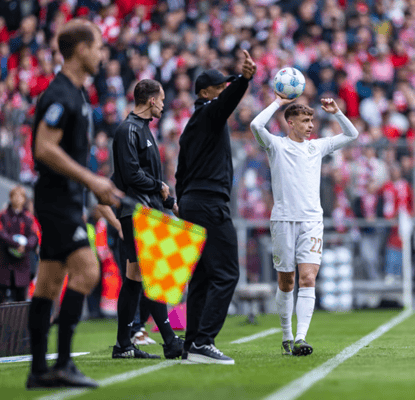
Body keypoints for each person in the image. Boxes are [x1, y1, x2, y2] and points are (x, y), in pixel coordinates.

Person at [27, 19, 123, 389]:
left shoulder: (78, 95)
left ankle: (39, 370)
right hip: (56, 201)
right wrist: (91, 180)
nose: (102, 54)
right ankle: (63, 363)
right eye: (98, 47)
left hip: (66, 199)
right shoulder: (60, 94)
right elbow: (43, 148)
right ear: (81, 49)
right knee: (88, 271)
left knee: (48, 284)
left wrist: (97, 192)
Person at [250, 95, 360, 356]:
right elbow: (256, 125)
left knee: (308, 278)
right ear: (290, 123)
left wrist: (337, 112)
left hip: (311, 221)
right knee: (287, 281)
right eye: (304, 121)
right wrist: (277, 102)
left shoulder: (317, 147)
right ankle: (286, 335)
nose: (310, 125)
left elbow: (352, 134)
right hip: (283, 220)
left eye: (311, 120)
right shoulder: (276, 145)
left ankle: (301, 337)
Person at [175, 50, 256, 365]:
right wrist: (244, 80)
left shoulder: (192, 125)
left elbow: (180, 172)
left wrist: (181, 203)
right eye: (220, 87)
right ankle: (203, 341)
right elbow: (227, 103)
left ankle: (191, 343)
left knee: (202, 277)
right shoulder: (210, 113)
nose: (224, 90)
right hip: (209, 203)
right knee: (227, 273)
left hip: (192, 203)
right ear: (205, 93)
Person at [108, 79, 183, 360]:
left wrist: (170, 202)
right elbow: (131, 175)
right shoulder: (128, 129)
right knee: (154, 274)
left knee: (135, 279)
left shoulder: (143, 129)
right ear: (151, 100)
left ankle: (123, 345)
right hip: (137, 211)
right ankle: (170, 340)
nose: (163, 104)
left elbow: (151, 180)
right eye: (161, 99)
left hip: (147, 208)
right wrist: (159, 187)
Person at [0, 185, 39, 303]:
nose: (17, 198)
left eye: (20, 196)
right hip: (4, 264)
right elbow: (2, 233)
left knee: (20, 300)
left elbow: (34, 236)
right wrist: (16, 244)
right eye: (15, 196)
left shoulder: (29, 218)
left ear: (24, 199)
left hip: (22, 265)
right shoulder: (3, 215)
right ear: (10, 197)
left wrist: (25, 246)